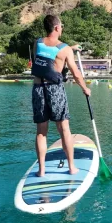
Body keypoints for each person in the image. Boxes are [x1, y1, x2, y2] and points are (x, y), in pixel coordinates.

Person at [31, 14, 91, 176]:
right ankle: (72, 167)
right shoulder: (64, 50)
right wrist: (85, 88)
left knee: (41, 132)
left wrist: (69, 48)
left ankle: (41, 171)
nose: (62, 28)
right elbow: (76, 73)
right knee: (64, 129)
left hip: (38, 89)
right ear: (57, 28)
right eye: (62, 26)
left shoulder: (37, 43)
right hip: (55, 90)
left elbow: (47, 55)